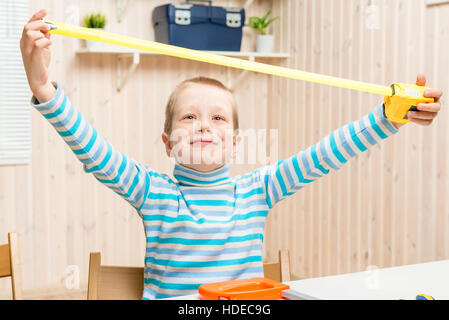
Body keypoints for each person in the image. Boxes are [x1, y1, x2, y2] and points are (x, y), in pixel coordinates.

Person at [20, 9, 443, 299]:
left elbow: (325, 153)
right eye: (189, 116)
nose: (204, 125)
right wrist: (44, 90)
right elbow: (96, 152)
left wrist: (387, 119)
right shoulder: (152, 191)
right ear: (167, 143)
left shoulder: (257, 189)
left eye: (219, 119)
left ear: (236, 143)